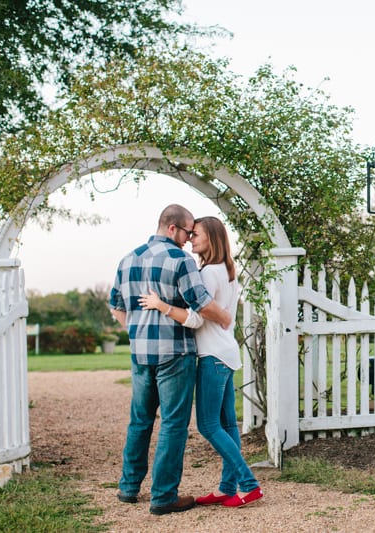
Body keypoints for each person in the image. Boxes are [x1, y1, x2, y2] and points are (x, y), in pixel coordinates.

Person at [109, 204, 231, 516]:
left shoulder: (128, 258)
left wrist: (136, 331)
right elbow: (202, 304)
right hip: (175, 354)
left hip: (140, 353)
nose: (190, 239)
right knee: (174, 424)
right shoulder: (180, 259)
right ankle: (163, 497)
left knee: (140, 420)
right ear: (173, 228)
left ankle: (128, 487)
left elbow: (115, 307)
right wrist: (226, 316)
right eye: (188, 232)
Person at [139, 215, 263, 508]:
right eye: (191, 234)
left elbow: (196, 318)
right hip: (226, 353)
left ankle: (249, 484)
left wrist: (161, 306)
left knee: (208, 425)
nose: (191, 239)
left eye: (196, 235)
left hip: (212, 356)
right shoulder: (226, 270)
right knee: (228, 425)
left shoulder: (208, 273)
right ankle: (226, 489)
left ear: (212, 239)